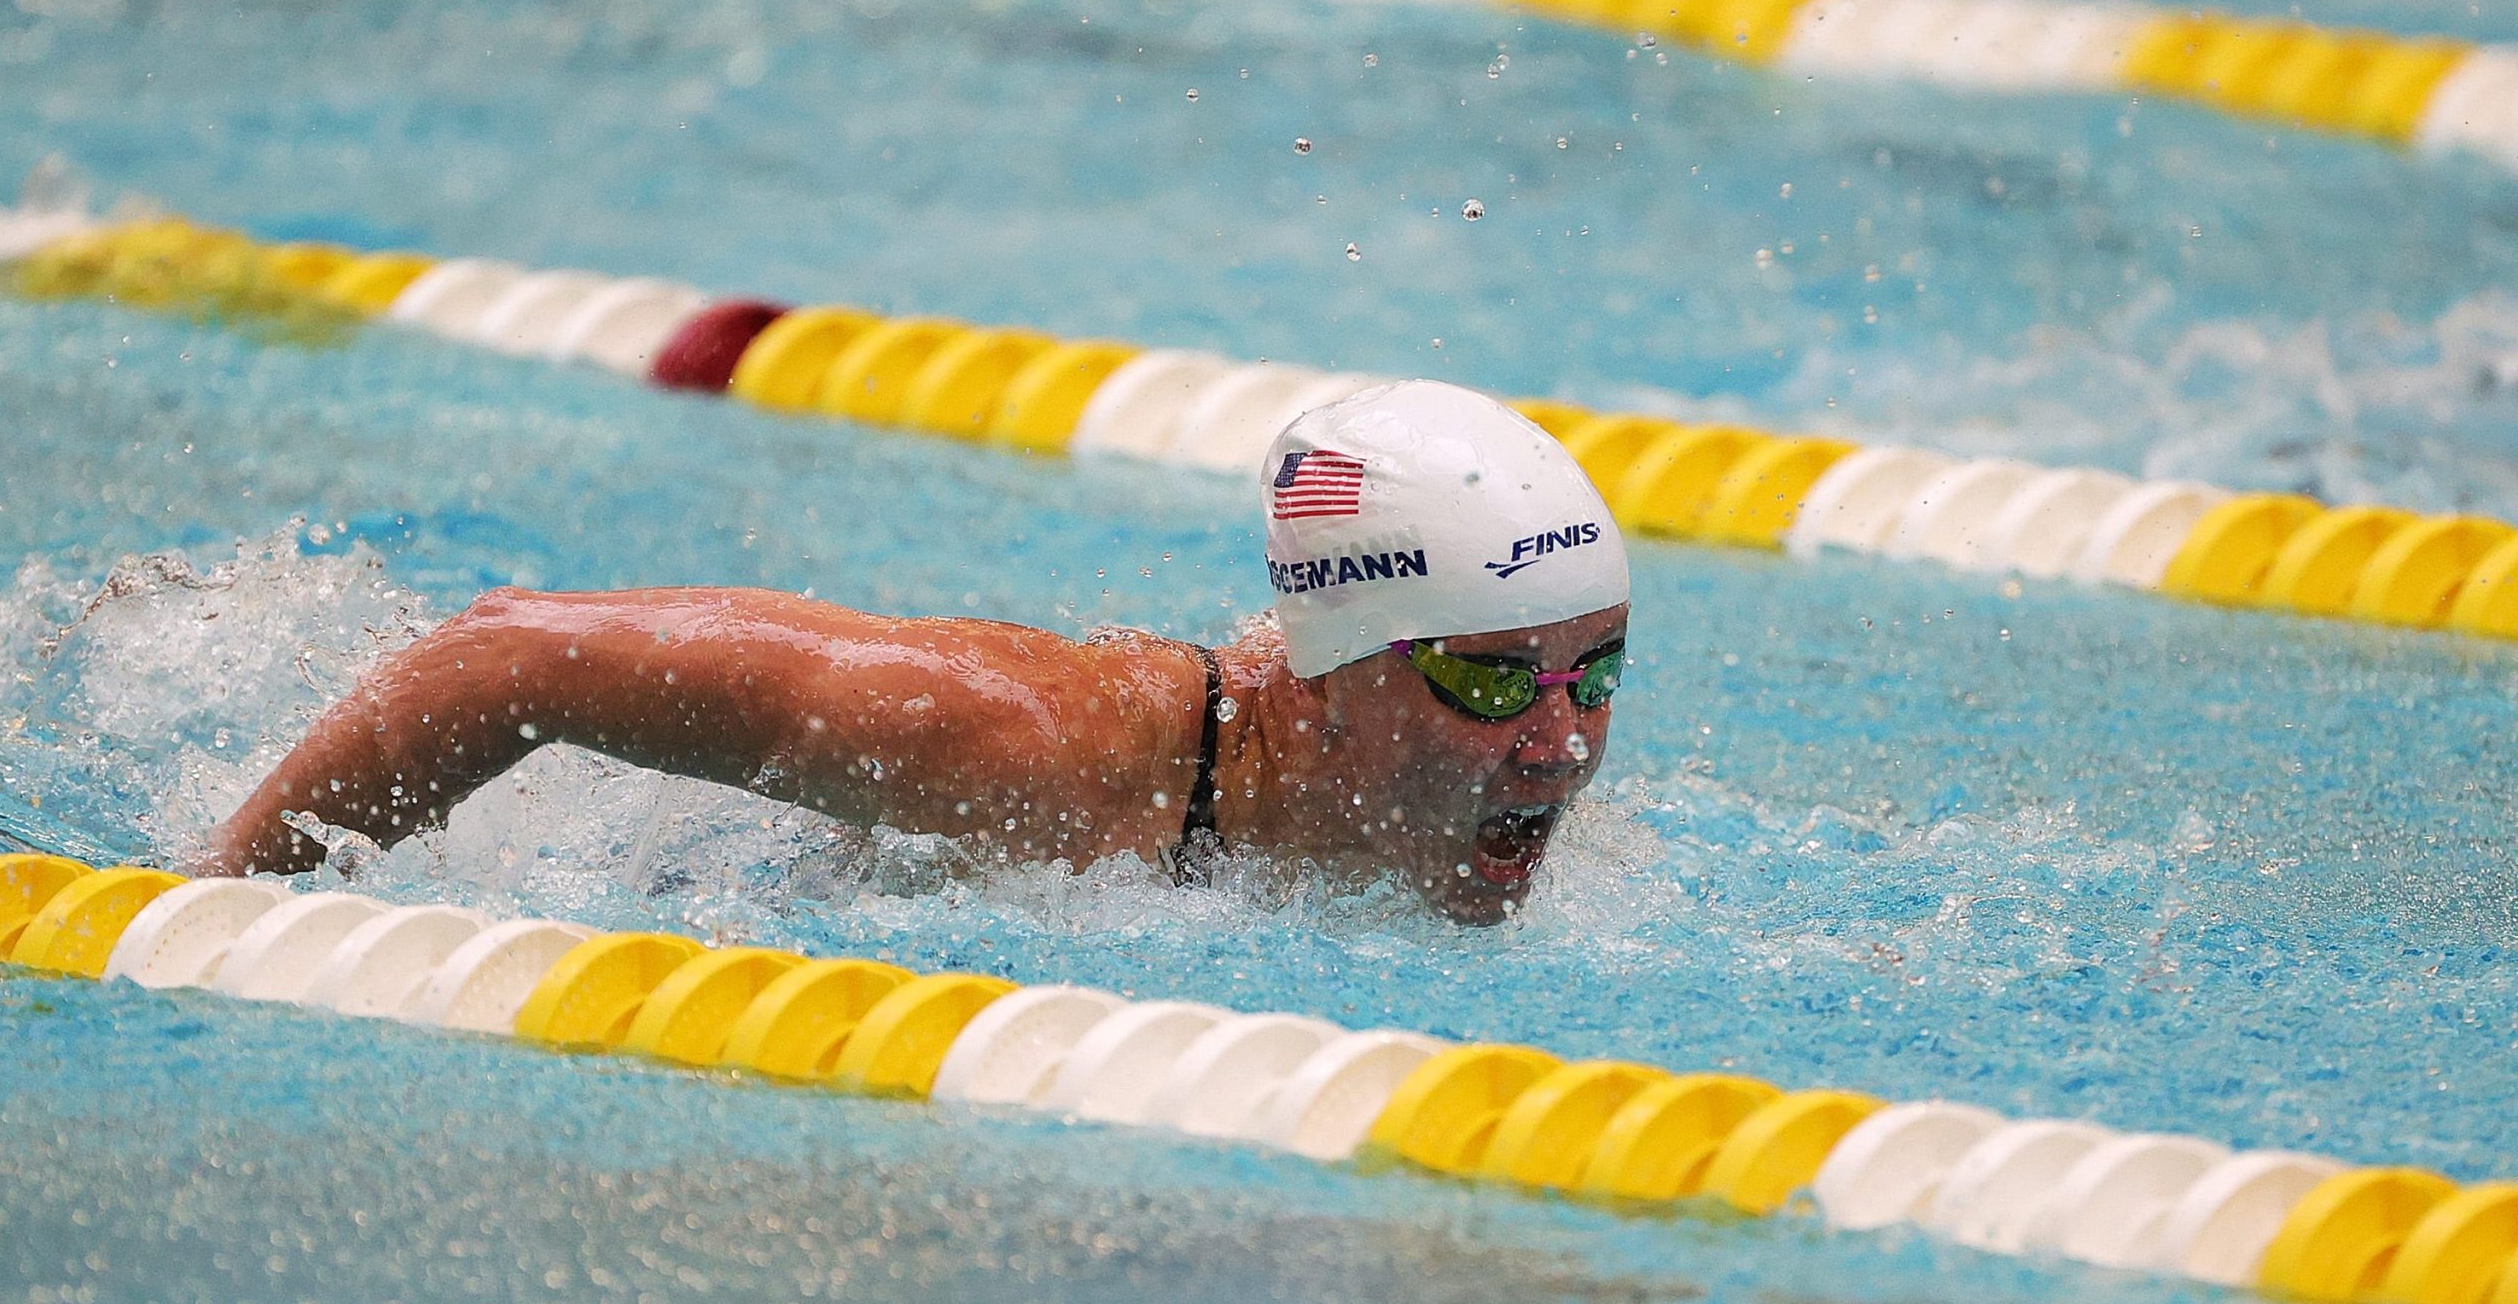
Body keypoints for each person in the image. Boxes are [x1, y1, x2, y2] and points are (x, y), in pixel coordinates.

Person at [203, 382, 1632, 924]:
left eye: (1598, 673)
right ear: (1328, 670)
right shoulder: (1021, 750)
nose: (1561, 747)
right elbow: (499, 657)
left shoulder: (1460, 797)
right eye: (1492, 680)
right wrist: (215, 911)